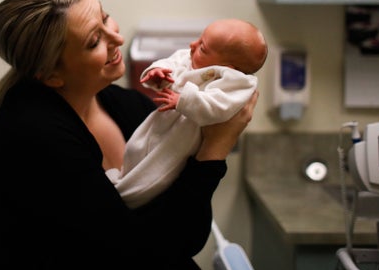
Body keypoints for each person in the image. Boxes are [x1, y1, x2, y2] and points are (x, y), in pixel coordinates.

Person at [0, 0, 258, 270]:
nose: (116, 38)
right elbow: (134, 259)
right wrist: (216, 147)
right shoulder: (32, 138)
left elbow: (188, 235)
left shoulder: (127, 107)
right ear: (51, 74)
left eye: (105, 17)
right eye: (94, 41)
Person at [107, 19, 267, 208]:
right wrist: (157, 73)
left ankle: (128, 195)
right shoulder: (189, 58)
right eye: (199, 40)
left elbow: (219, 106)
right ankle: (124, 178)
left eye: (203, 48)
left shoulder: (237, 83)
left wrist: (184, 100)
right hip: (161, 120)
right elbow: (170, 64)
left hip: (185, 137)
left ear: (227, 67)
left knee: (157, 173)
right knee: (136, 148)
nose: (192, 45)